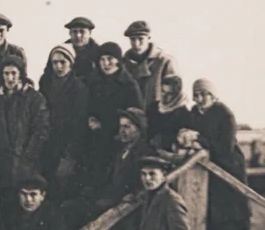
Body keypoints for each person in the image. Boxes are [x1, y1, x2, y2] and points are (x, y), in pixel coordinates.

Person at [62, 108, 150, 230]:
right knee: (68, 206)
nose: (122, 131)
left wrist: (133, 194)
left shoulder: (143, 153)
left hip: (121, 204)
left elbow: (142, 184)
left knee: (87, 212)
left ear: (139, 129)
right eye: (121, 126)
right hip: (105, 196)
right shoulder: (121, 151)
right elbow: (106, 177)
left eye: (127, 127)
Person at [188, 79, 252, 230]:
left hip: (229, 165)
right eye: (196, 95)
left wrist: (199, 138)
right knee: (212, 208)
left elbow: (225, 147)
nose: (200, 99)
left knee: (230, 208)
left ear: (213, 96)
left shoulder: (224, 114)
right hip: (208, 165)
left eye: (204, 94)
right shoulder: (195, 112)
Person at [0, 56, 50, 207]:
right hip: (0, 163)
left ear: (21, 74)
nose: (10, 78)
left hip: (26, 163)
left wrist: (28, 156)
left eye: (14, 73)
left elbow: (41, 129)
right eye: (6, 73)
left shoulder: (34, 98)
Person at [83, 42, 143, 183]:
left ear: (118, 61)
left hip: (118, 138)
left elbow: (137, 114)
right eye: (102, 60)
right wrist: (90, 118)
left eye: (110, 59)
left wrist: (119, 129)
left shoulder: (129, 84)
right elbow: (86, 107)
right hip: (95, 137)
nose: (106, 63)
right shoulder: (92, 82)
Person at [38, 43, 89, 199]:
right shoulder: (45, 82)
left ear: (71, 64)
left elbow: (79, 124)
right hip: (47, 144)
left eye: (63, 62)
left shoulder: (79, 88)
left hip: (67, 147)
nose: (59, 66)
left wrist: (69, 156)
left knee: (62, 187)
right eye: (55, 62)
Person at [130, 156, 192, 230]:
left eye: (152, 174)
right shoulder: (148, 197)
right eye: (143, 174)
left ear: (163, 175)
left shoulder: (172, 200)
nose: (147, 178)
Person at [122, 21, 178, 109]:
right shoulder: (123, 63)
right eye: (133, 39)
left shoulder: (165, 62)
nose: (136, 43)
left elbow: (175, 95)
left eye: (140, 39)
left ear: (148, 38)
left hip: (158, 117)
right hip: (131, 118)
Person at [3, 173, 69, 230]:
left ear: (42, 196)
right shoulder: (9, 213)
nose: (28, 199)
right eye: (23, 194)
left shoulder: (53, 214)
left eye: (33, 194)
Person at [146, 75, 192, 152]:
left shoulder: (184, 114)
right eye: (163, 91)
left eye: (169, 94)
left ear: (177, 95)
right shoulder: (153, 107)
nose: (164, 96)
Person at [63, 17, 101, 83]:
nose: (78, 35)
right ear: (70, 33)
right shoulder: (61, 52)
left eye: (82, 31)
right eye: (75, 32)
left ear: (90, 33)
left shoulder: (99, 53)